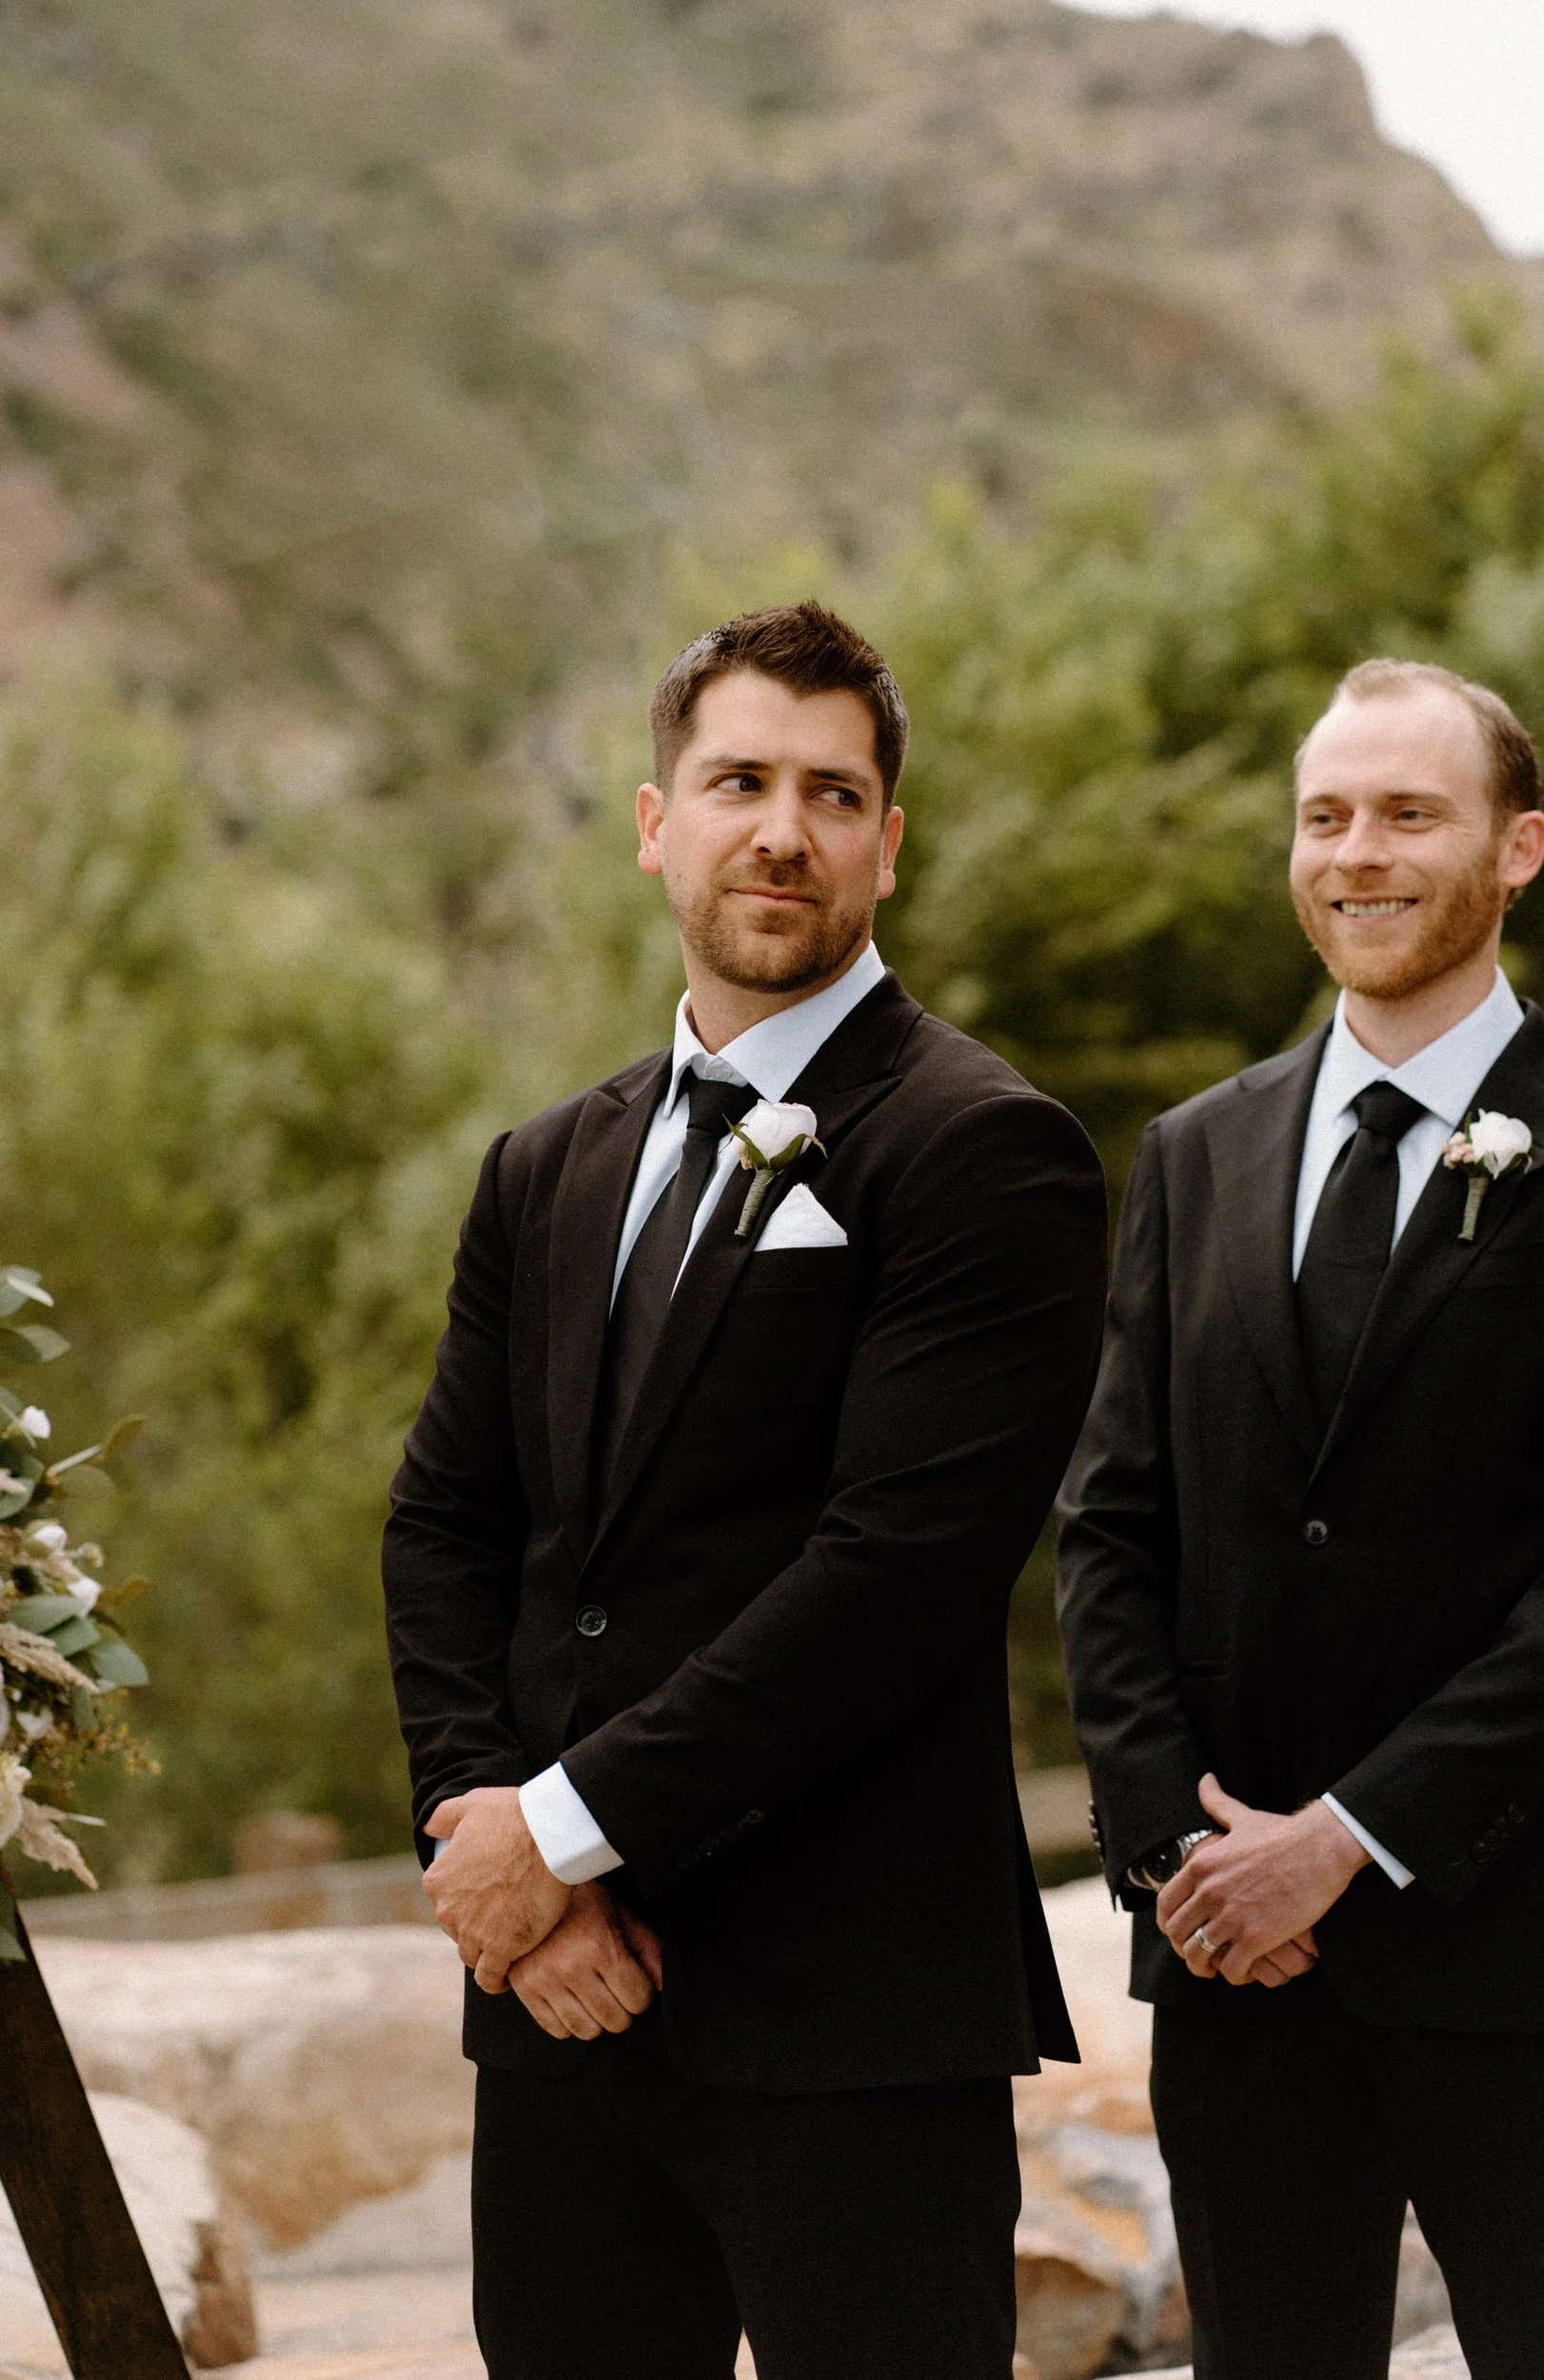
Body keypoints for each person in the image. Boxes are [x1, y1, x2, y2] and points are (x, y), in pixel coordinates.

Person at [383, 601, 1107, 2380]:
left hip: (847, 2013)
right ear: (655, 823)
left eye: (831, 795)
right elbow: (449, 1523)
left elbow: (894, 1575)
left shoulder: (983, 1147)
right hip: (558, 2010)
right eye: (737, 783)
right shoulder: (544, 1165)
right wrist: (489, 1841)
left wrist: (560, 1835)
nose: (782, 830)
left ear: (886, 843)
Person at [1057, 658, 1544, 2380]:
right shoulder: (1194, 1153)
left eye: (1409, 813)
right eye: (1324, 816)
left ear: (1517, 848)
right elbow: (1109, 1526)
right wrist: (1175, 1853)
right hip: (1234, 1974)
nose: (1356, 854)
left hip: (1513, 1944)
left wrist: (1344, 1837)